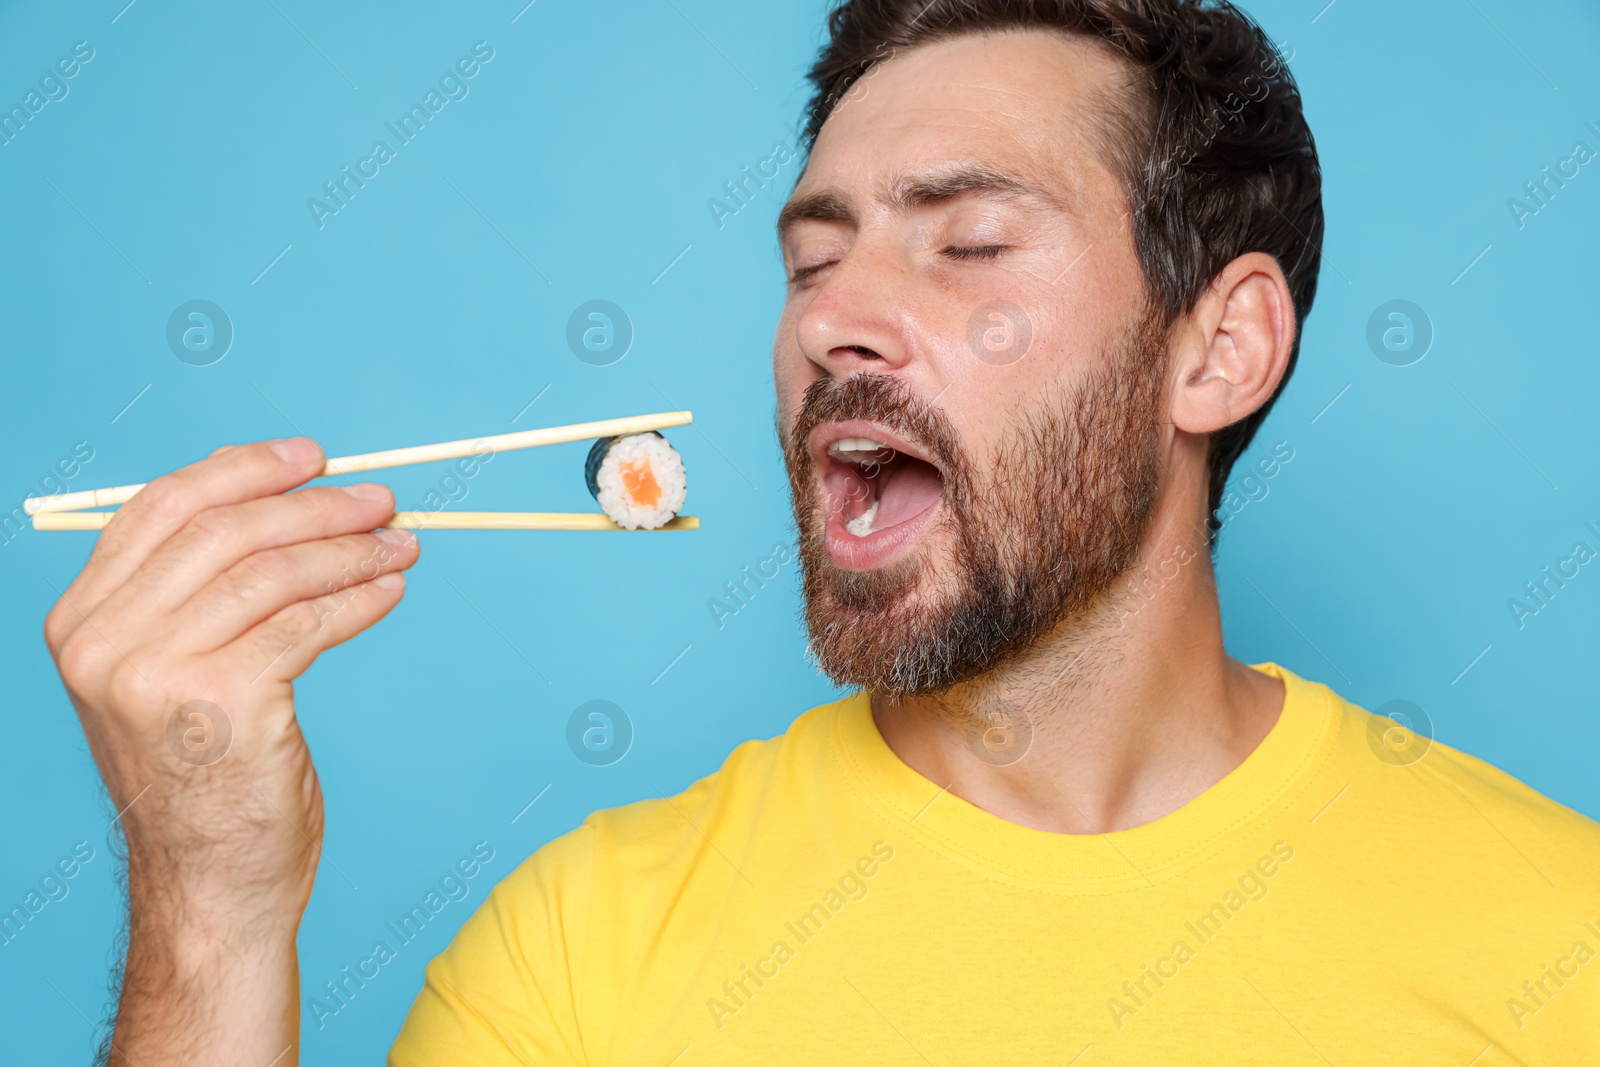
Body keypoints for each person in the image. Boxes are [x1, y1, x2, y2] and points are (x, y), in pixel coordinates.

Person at [45, 1, 1600, 1064]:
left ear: (1220, 349)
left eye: (970, 242)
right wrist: (211, 906)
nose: (835, 322)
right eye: (813, 260)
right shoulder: (591, 953)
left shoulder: (1559, 939)